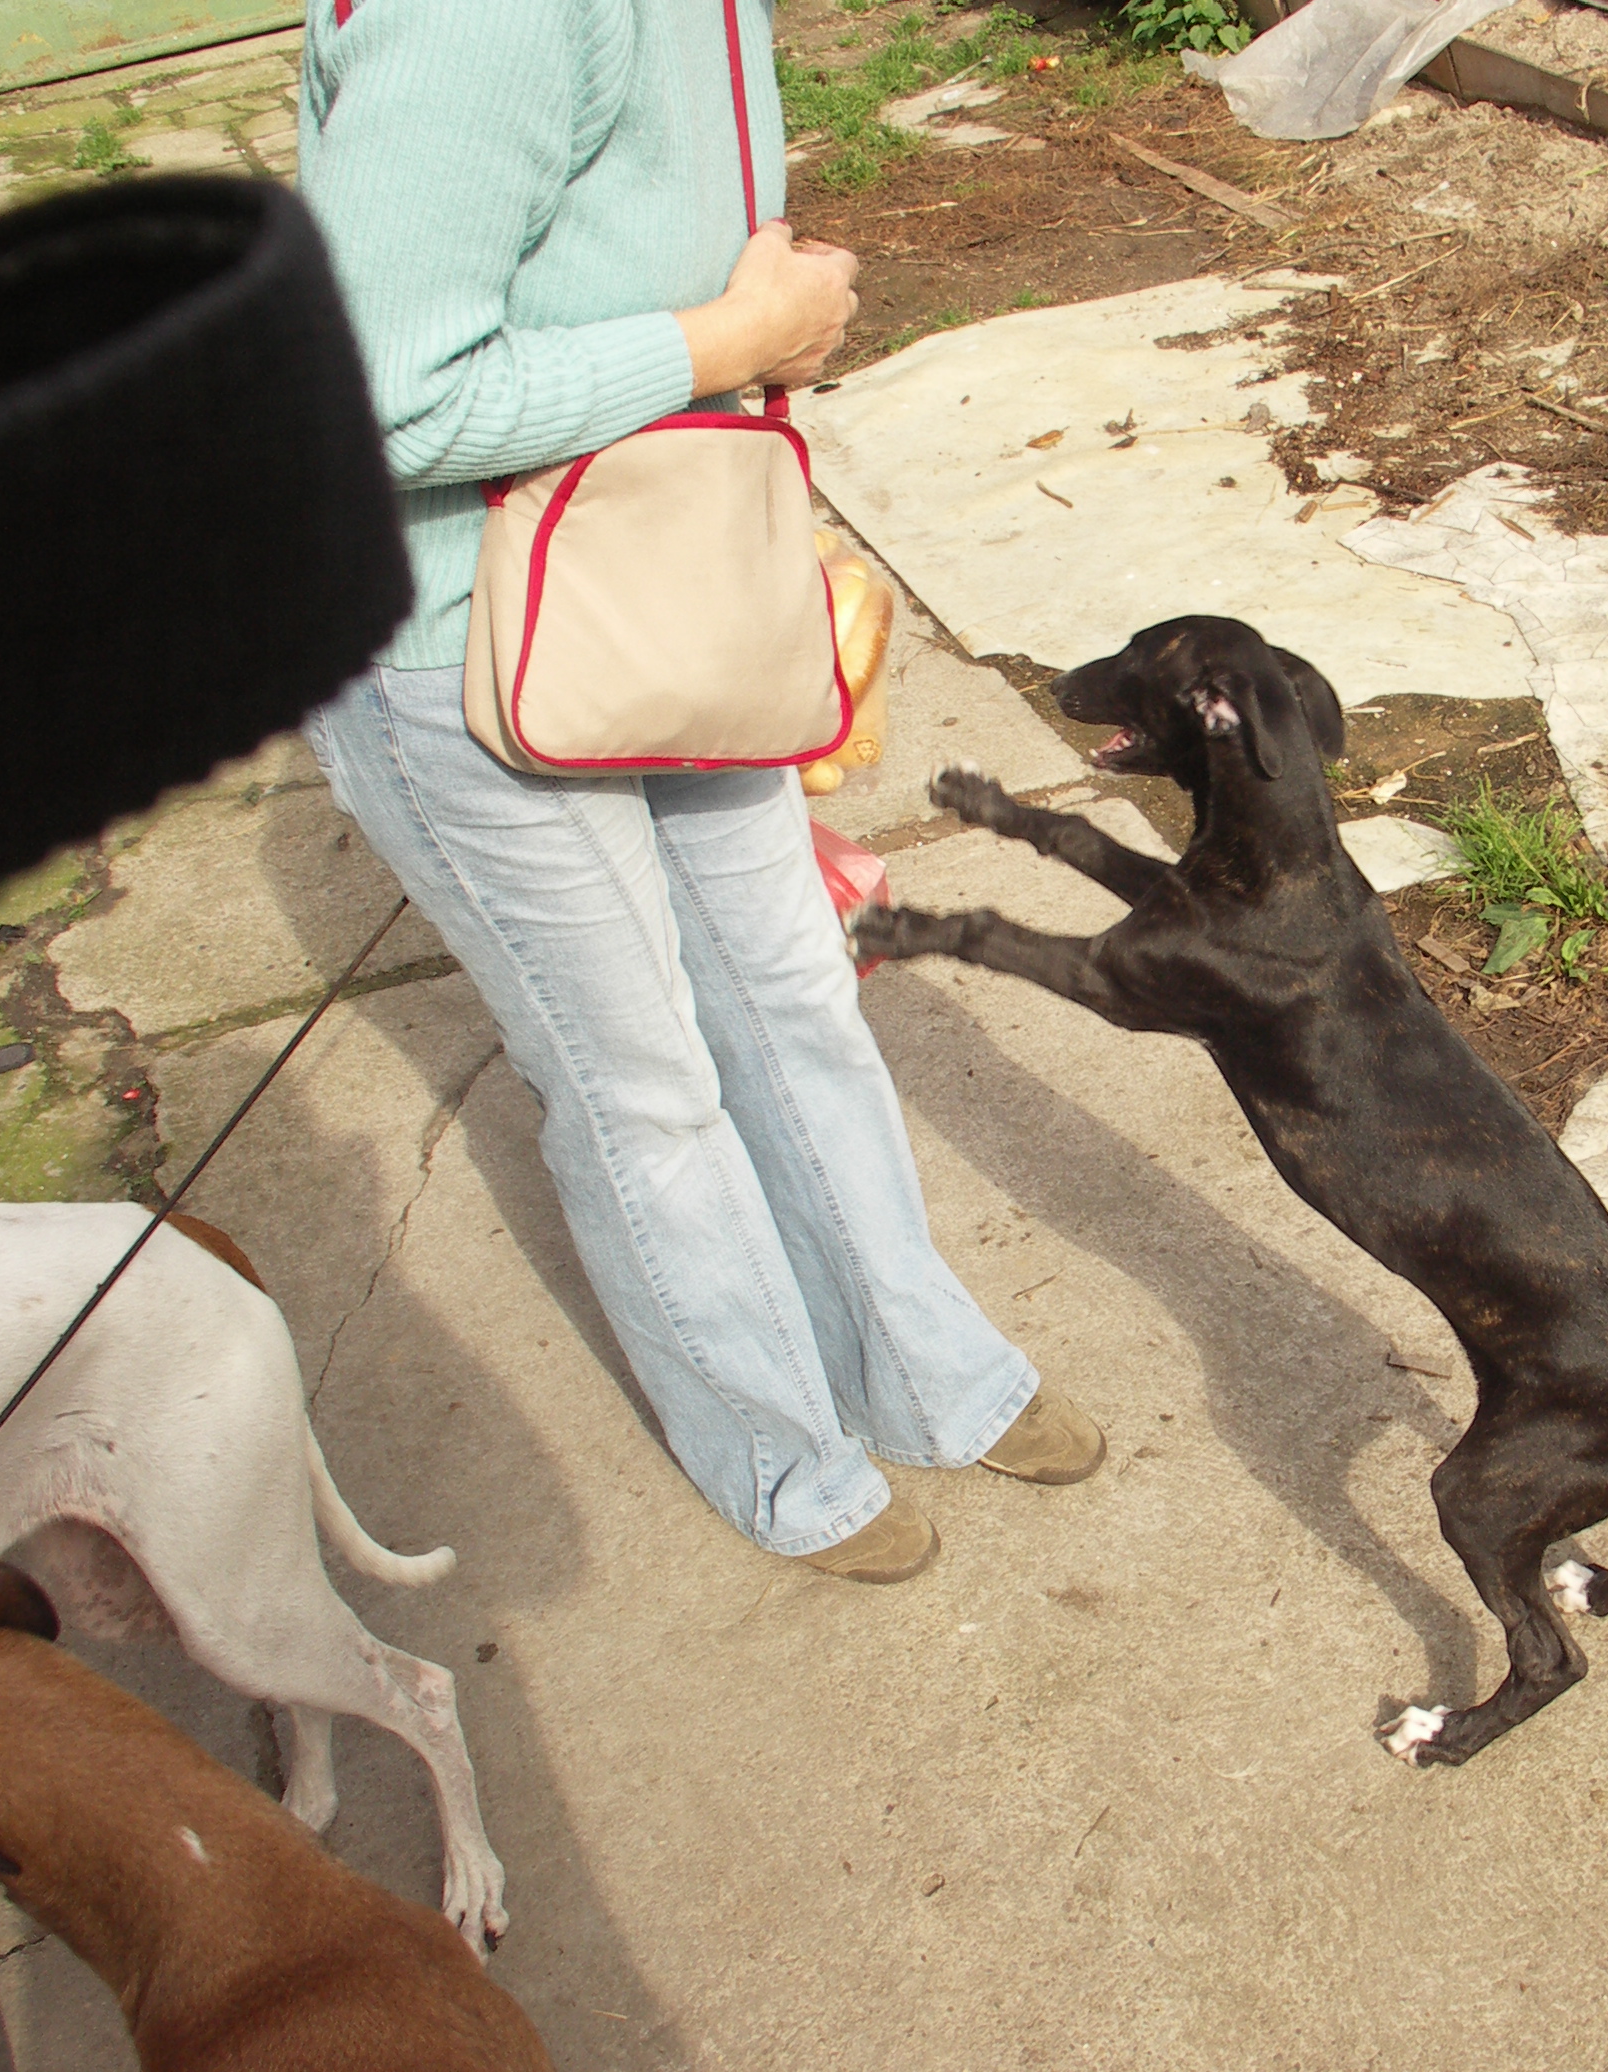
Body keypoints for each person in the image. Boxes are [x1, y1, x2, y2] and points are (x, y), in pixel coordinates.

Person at [294, 0, 1096, 1582]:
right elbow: (380, 395)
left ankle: (919, 1369)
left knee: (793, 1001)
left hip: (667, 583)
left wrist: (756, 355)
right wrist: (733, 343)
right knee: (643, 1083)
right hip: (462, 641)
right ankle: (781, 1457)